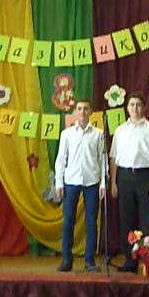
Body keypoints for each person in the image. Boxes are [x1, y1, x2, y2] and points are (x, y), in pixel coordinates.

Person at [110, 92, 149, 272]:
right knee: (127, 219)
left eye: (139, 105)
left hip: (145, 177)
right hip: (125, 177)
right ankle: (130, 260)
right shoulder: (120, 130)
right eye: (132, 104)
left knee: (148, 219)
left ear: (144, 107)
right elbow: (113, 158)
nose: (135, 108)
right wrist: (113, 183)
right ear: (127, 108)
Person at [55, 99, 106, 272]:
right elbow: (61, 159)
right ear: (75, 112)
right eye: (79, 109)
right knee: (68, 220)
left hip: (92, 182)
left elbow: (102, 160)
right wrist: (59, 183)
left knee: (91, 222)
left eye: (85, 109)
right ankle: (66, 259)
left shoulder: (98, 134)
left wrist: (103, 184)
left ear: (91, 112)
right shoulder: (67, 134)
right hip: (71, 181)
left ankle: (89, 260)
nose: (82, 112)